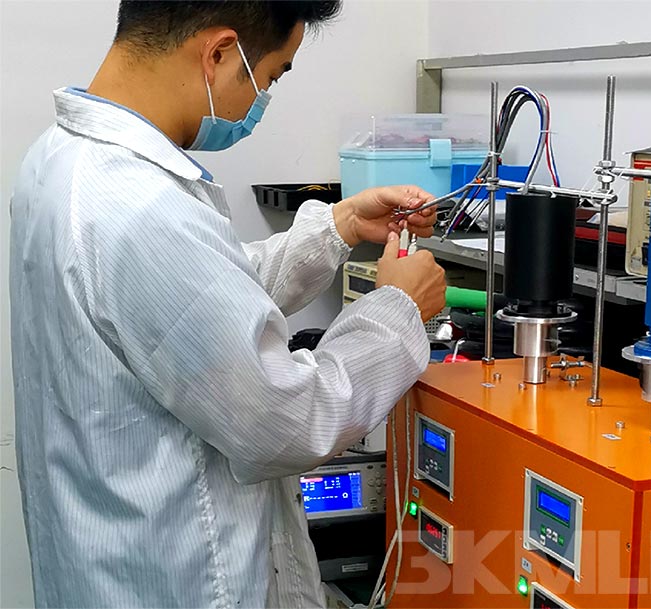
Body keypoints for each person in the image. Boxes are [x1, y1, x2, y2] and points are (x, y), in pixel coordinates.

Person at [9, 1, 446, 607]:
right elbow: (290, 421)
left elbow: (199, 308)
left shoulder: (61, 159)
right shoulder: (141, 211)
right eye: (269, 77)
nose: (260, 101)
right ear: (218, 53)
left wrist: (338, 226)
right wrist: (397, 308)